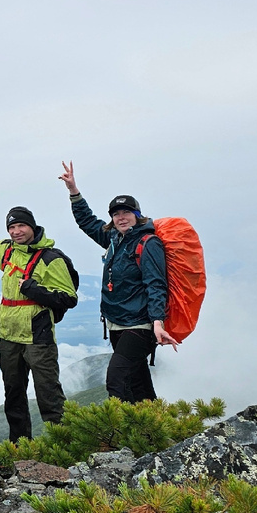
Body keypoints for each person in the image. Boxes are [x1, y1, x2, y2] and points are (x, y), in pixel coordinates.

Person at [0, 192, 78, 442]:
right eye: (12, 227)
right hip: (8, 335)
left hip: (38, 335)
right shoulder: (6, 251)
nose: (16, 231)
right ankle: (20, 448)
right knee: (13, 395)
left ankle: (66, 447)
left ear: (32, 226)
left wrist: (32, 289)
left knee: (49, 394)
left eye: (21, 225)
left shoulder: (51, 258)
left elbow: (68, 297)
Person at [60, 162, 176, 402]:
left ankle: (122, 434)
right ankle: (154, 432)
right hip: (117, 324)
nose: (121, 217)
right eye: (116, 214)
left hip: (140, 326)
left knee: (116, 380)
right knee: (137, 381)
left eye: (126, 212)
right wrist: (74, 191)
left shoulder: (148, 243)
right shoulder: (114, 239)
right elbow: (88, 222)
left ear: (137, 215)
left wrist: (157, 322)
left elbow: (156, 284)